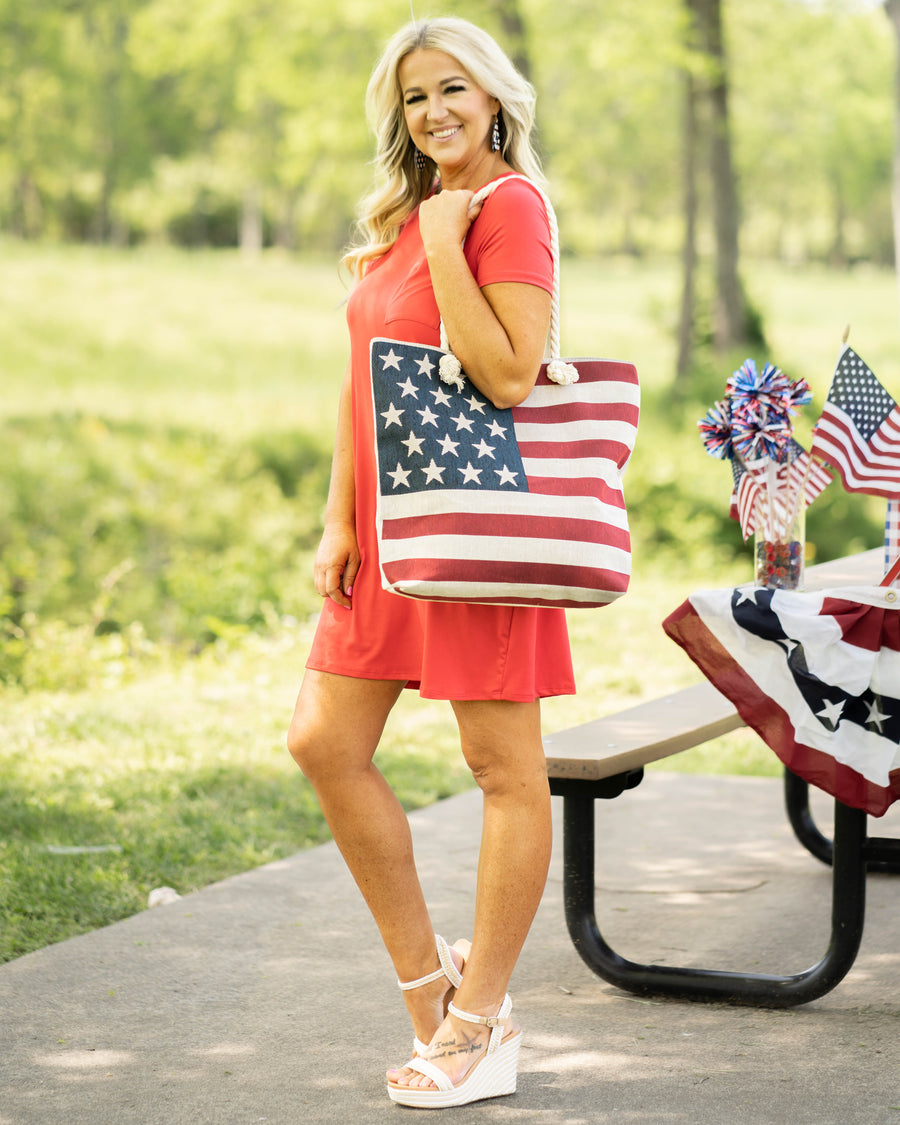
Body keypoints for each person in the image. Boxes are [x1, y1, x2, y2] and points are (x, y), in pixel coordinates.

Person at [286, 16, 575, 1109]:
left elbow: (504, 376)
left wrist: (453, 242)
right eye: (415, 99)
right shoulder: (410, 214)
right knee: (323, 742)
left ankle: (476, 1021)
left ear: (494, 98)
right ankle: (436, 997)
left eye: (453, 89)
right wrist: (339, 519)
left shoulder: (509, 211)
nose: (434, 112)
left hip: (475, 533)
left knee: (504, 769)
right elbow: (361, 377)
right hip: (389, 533)